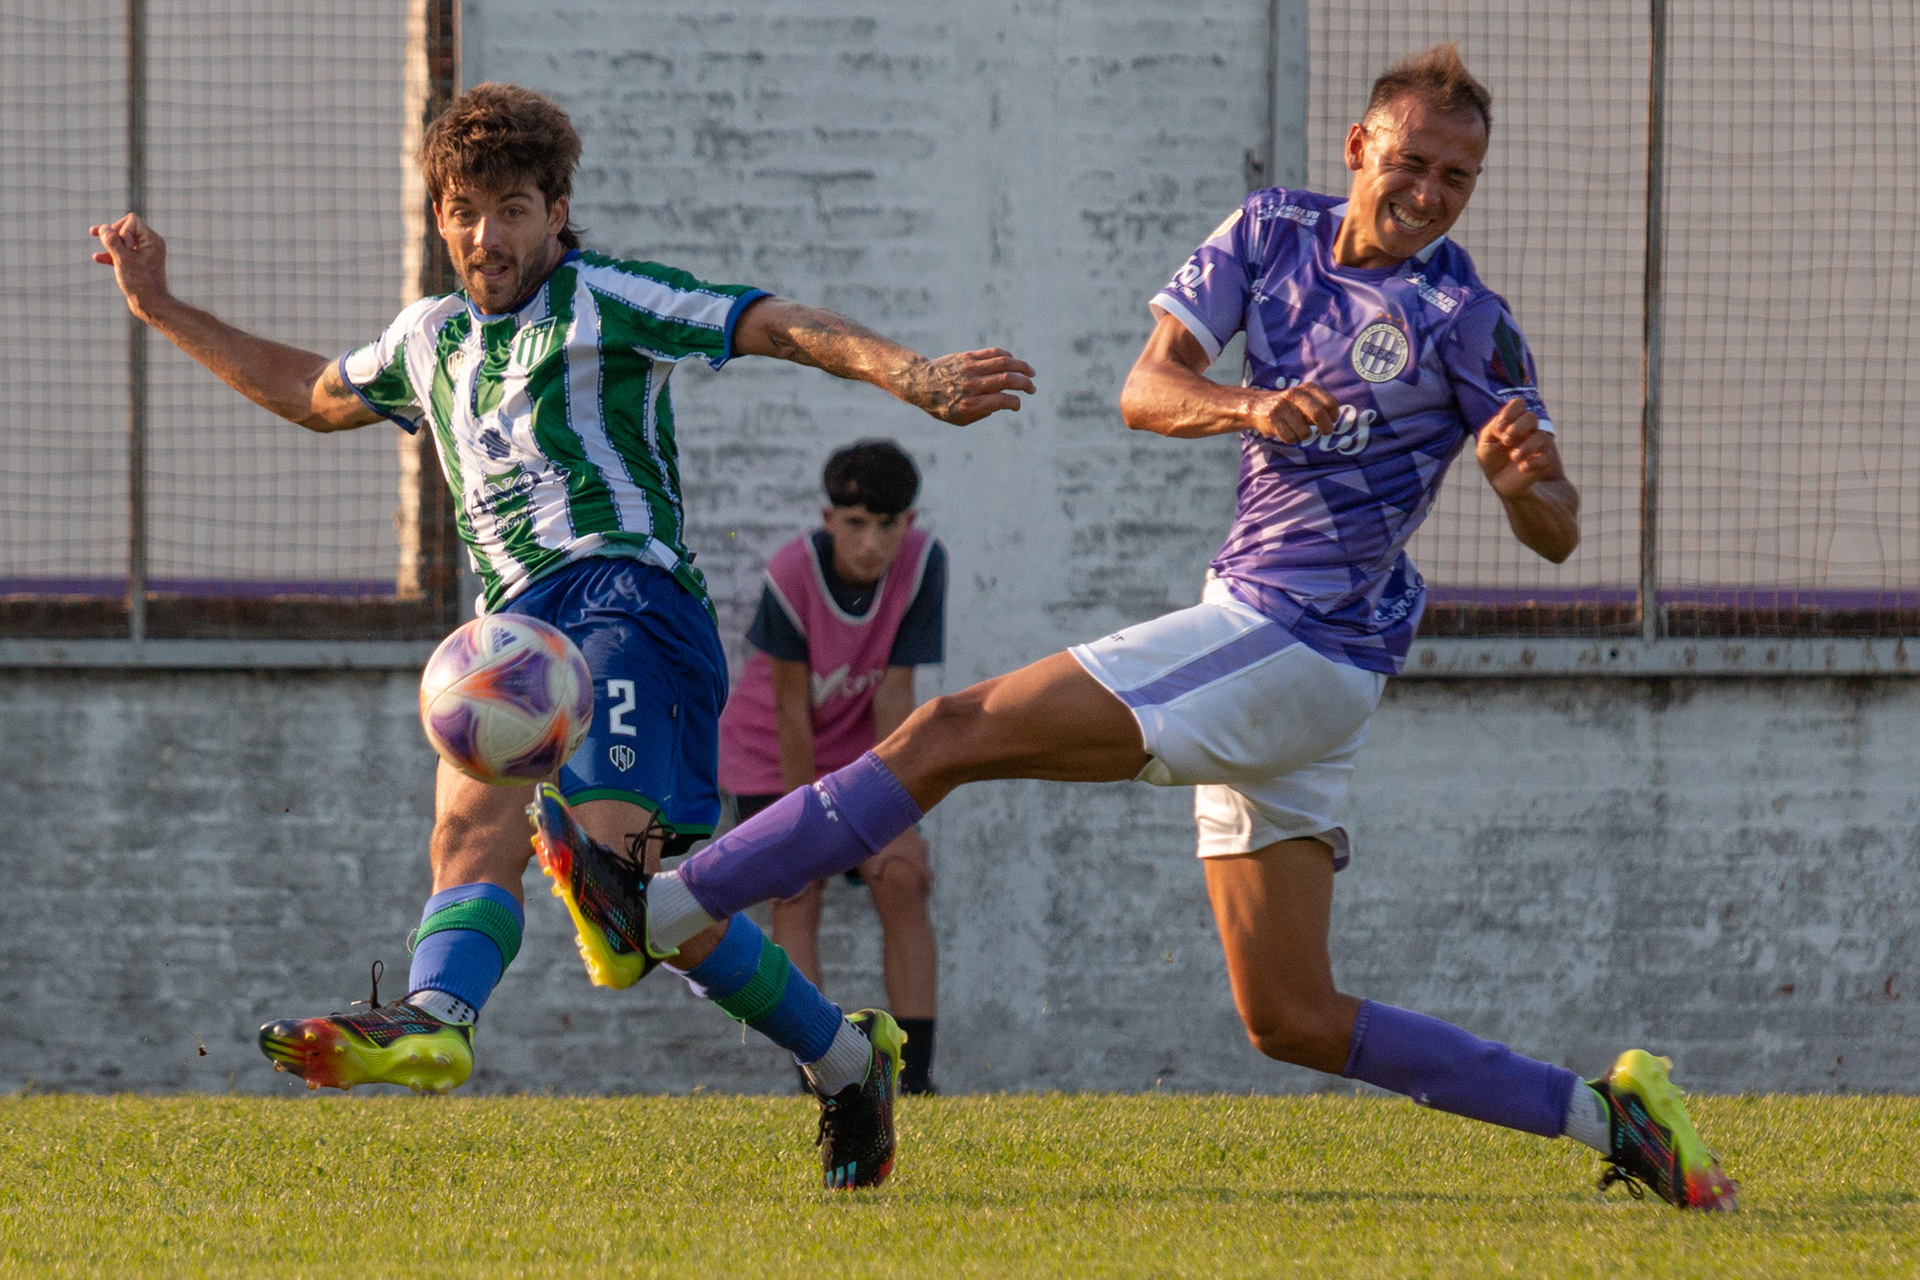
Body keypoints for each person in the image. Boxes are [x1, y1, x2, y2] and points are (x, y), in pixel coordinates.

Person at [539, 44, 1738, 1210]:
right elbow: (1144, 388)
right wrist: (1252, 402)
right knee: (1292, 1017)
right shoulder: (1271, 231)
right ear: (1359, 146)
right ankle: (1610, 1115)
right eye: (1410, 163)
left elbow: (1561, 529)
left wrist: (1528, 480)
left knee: (952, 728)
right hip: (1283, 653)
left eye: (1455, 179)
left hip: (1297, 640)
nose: (1427, 193)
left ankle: (670, 902)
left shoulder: (1465, 316)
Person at [89, 82, 1034, 1190]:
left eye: (513, 209)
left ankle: (794, 1024)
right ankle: (454, 1015)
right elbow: (307, 390)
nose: (487, 236)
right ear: (440, 215)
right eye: (465, 210)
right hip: (512, 636)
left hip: (629, 606)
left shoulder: (607, 299)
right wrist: (161, 306)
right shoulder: (427, 339)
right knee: (508, 850)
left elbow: (770, 321)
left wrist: (910, 375)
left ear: (556, 210)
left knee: (631, 899)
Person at [718, 440, 945, 1095]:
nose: (871, 542)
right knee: (796, 891)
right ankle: (818, 1078)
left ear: (909, 521)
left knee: (902, 874)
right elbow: (791, 714)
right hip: (770, 757)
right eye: (854, 524)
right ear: (827, 519)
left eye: (887, 525)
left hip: (863, 755)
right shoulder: (792, 572)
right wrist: (804, 835)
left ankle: (916, 1080)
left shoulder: (924, 564)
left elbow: (896, 696)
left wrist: (898, 813)